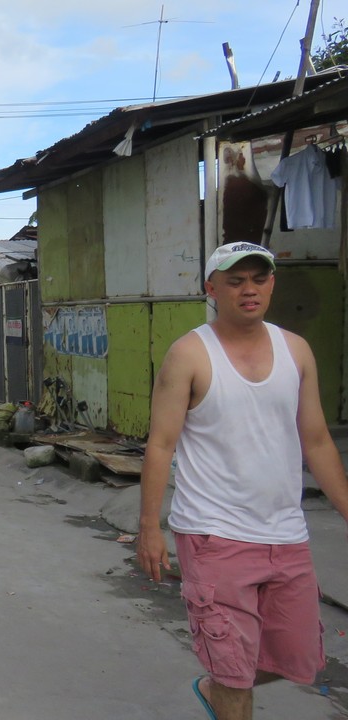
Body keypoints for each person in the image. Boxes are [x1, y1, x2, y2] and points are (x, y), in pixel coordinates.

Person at [135, 242, 348, 720]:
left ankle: (217, 686)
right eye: (235, 281)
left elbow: (316, 441)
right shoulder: (189, 354)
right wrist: (150, 527)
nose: (249, 290)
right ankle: (226, 686)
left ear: (272, 284)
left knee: (297, 659)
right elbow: (161, 445)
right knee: (236, 672)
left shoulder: (296, 350)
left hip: (285, 534)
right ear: (212, 289)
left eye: (259, 279)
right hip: (214, 535)